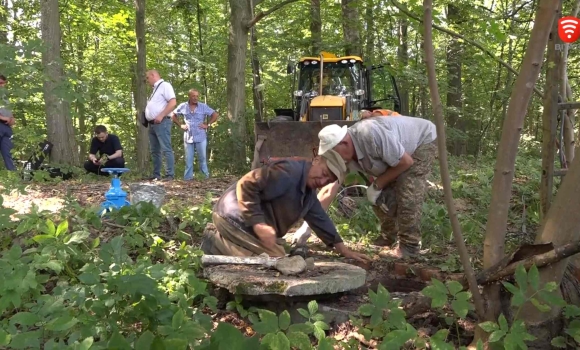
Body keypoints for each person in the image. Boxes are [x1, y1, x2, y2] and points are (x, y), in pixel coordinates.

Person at [293, 115, 437, 259]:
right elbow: (330, 188)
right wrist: (307, 226)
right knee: (380, 196)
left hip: (421, 142)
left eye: (333, 153)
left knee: (408, 190)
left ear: (344, 143)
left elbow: (406, 162)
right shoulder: (344, 155)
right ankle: (389, 236)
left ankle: (409, 246)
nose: (334, 158)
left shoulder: (370, 134)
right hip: (398, 156)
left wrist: (377, 184)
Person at [200, 150, 372, 263]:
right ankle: (215, 241)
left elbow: (320, 219)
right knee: (273, 262)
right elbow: (247, 183)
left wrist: (343, 249)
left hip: (247, 223)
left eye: (327, 181)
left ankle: (231, 244)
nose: (322, 181)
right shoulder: (289, 172)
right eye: (324, 173)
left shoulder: (308, 194)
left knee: (279, 257)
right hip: (233, 217)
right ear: (317, 160)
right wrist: (258, 224)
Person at [171, 89, 218, 180]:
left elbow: (215, 114)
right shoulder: (183, 106)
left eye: (197, 96)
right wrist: (180, 125)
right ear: (189, 96)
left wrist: (207, 125)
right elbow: (173, 115)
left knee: (202, 159)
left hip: (200, 136)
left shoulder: (203, 106)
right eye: (193, 96)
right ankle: (188, 179)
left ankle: (204, 177)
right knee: (188, 159)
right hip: (188, 136)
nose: (195, 98)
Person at [145, 69, 176, 181]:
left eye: (147, 78)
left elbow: (172, 102)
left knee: (166, 148)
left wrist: (161, 115)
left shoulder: (165, 85)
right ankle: (156, 174)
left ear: (153, 75)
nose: (147, 81)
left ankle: (169, 174)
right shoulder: (155, 89)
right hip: (152, 124)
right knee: (155, 150)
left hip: (162, 122)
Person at [0, 74, 16, 171]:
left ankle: (13, 177)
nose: (1, 85)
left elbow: (10, 113)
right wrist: (3, 118)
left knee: (9, 153)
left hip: (7, 129)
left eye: (3, 83)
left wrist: (11, 119)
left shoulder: (5, 98)